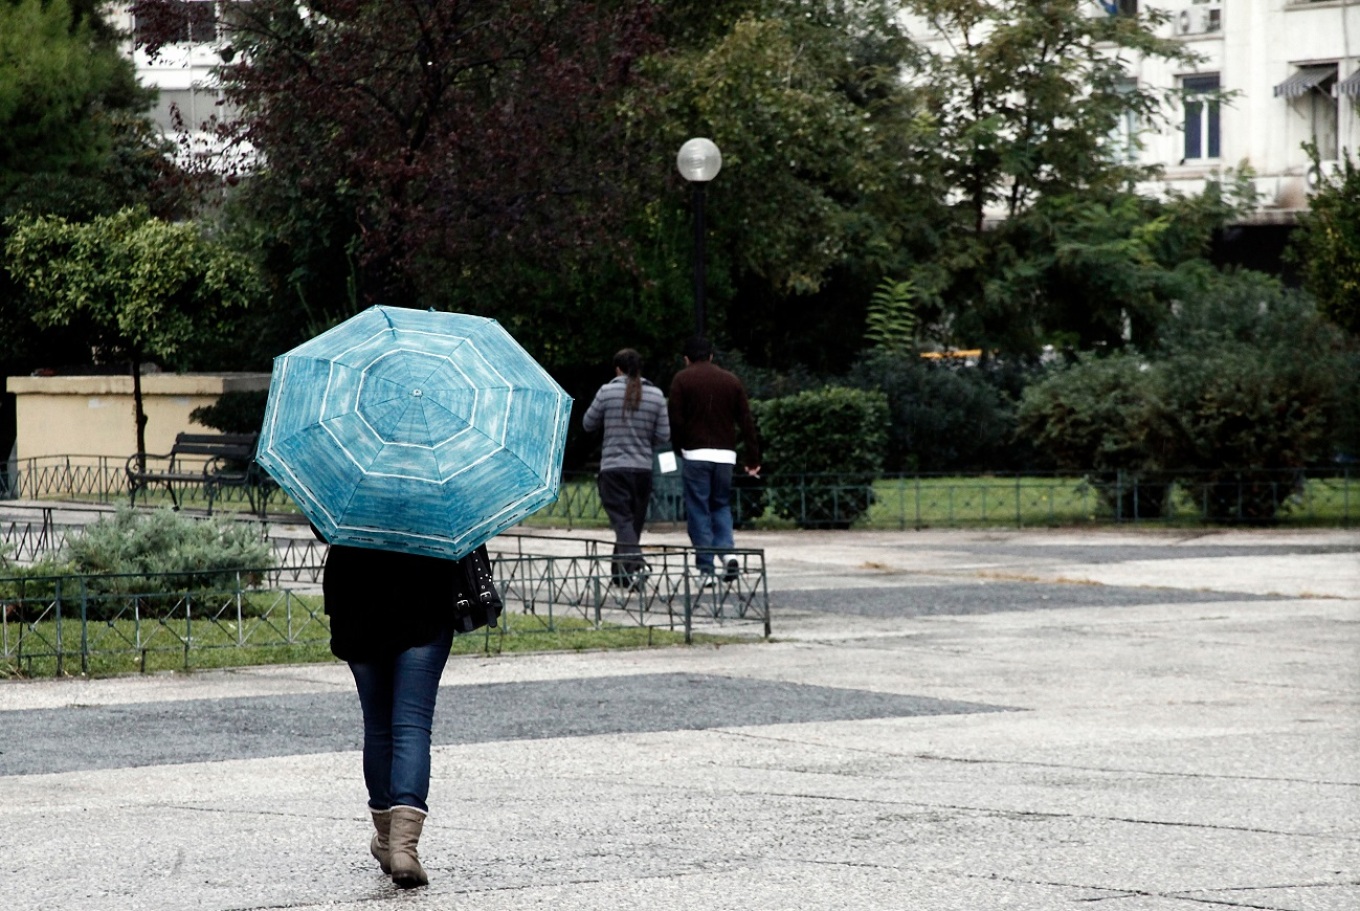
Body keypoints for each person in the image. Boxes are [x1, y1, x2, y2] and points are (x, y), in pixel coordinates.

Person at [321, 538, 500, 890]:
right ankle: (403, 849)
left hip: (355, 594)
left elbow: (321, 526)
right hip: (424, 592)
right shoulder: (435, 496)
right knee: (411, 725)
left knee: (378, 727)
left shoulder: (353, 499)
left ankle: (387, 841)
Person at [667, 336, 761, 583]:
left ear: (686, 358)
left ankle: (706, 568)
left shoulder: (681, 380)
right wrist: (752, 458)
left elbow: (676, 421)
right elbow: (746, 422)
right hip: (726, 455)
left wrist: (679, 448)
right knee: (721, 505)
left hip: (695, 453)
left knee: (698, 509)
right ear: (711, 355)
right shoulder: (731, 380)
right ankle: (728, 553)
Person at [581, 348, 671, 588]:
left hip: (613, 468)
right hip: (642, 469)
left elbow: (588, 423)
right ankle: (620, 575)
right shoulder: (656, 395)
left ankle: (636, 564)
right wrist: (643, 439)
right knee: (632, 524)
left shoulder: (606, 392)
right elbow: (664, 435)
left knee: (622, 522)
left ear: (618, 369)